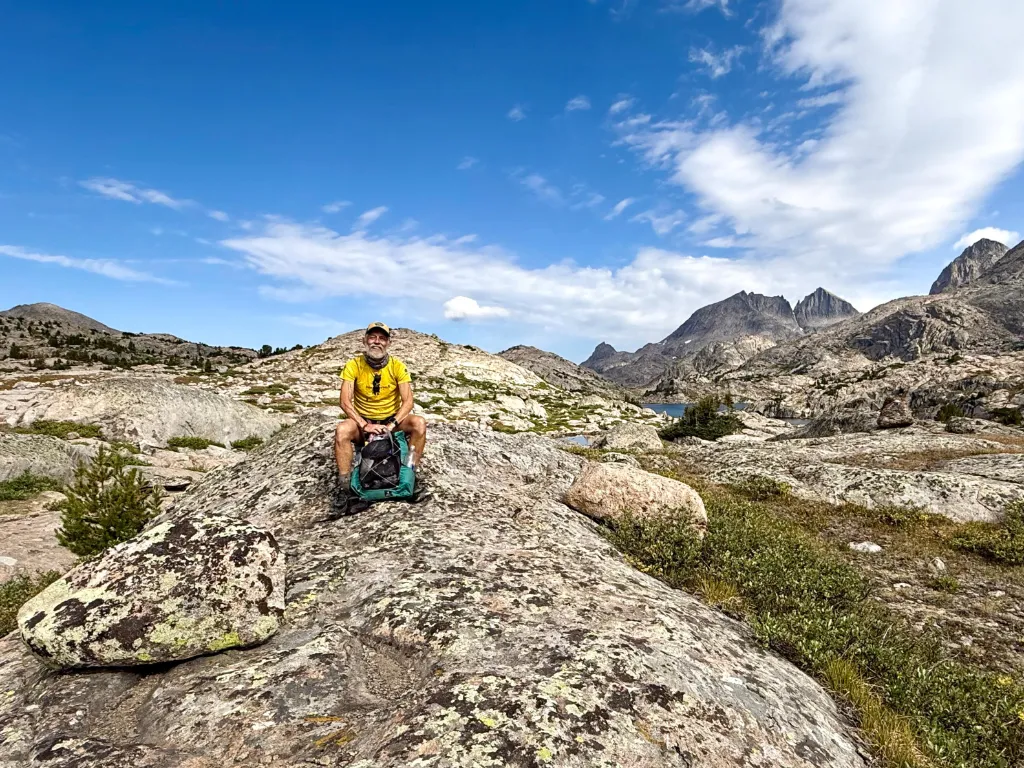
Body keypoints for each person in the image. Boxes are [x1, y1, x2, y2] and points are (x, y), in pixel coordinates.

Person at [333, 322, 427, 509]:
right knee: (342, 431)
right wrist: (364, 425)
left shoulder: (397, 366)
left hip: (391, 422)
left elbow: (408, 401)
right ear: (365, 340)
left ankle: (409, 476)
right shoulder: (354, 365)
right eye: (372, 337)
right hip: (363, 423)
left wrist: (392, 424)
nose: (377, 342)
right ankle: (347, 491)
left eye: (382, 338)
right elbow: (344, 401)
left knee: (419, 423)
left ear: (388, 343)